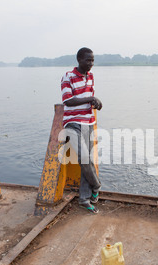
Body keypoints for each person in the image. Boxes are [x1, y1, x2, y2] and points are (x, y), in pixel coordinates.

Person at [61, 47, 102, 213]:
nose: (91, 63)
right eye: (88, 60)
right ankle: (97, 185)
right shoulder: (68, 77)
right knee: (84, 157)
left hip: (88, 123)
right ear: (79, 60)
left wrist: (95, 103)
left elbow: (87, 99)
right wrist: (91, 98)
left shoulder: (90, 76)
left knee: (86, 161)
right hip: (72, 123)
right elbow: (68, 101)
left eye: (92, 60)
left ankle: (84, 199)